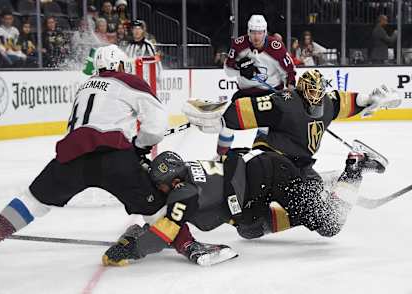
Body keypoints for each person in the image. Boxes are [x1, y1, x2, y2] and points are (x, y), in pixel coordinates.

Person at [0, 44, 169, 262]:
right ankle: (186, 243)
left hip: (72, 156)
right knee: (155, 208)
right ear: (119, 64)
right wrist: (140, 146)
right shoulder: (130, 81)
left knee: (33, 200)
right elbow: (156, 127)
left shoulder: (85, 86)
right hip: (114, 158)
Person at [102, 143, 387, 266]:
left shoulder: (182, 192)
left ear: (173, 182)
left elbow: (166, 231)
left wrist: (133, 251)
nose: (160, 190)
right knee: (250, 229)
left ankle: (354, 167)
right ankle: (310, 198)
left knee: (329, 224)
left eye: (161, 185)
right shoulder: (185, 176)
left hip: (271, 176)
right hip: (253, 185)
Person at [183, 69, 401, 182]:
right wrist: (219, 115)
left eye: (319, 93)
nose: (316, 99)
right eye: (312, 93)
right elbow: (243, 110)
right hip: (273, 158)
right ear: (303, 91)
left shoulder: (327, 102)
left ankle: (348, 172)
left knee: (311, 193)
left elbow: (350, 101)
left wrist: (371, 98)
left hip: (301, 163)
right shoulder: (283, 102)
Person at [217, 15, 296, 156]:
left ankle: (258, 158)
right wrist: (240, 67)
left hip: (270, 95)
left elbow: (290, 72)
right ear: (248, 32)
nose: (256, 37)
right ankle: (220, 157)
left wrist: (290, 92)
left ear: (265, 32)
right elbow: (228, 70)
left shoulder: (276, 48)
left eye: (260, 32)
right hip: (245, 93)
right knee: (227, 124)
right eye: (253, 32)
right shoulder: (239, 44)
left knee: (264, 127)